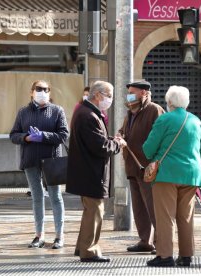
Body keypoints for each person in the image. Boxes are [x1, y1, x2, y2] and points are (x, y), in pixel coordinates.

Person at [142, 85, 201, 267]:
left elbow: (148, 149)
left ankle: (165, 256)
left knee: (165, 216)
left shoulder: (165, 119)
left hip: (167, 174)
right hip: (192, 176)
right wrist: (197, 170)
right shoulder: (197, 121)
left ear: (170, 102)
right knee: (186, 216)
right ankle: (186, 255)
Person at [66, 80, 126, 263]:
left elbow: (96, 139)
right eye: (109, 96)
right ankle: (89, 250)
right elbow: (100, 146)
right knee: (95, 211)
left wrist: (110, 139)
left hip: (87, 171)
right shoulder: (88, 115)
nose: (110, 100)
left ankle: (82, 247)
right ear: (98, 95)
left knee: (90, 211)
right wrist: (117, 144)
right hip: (91, 172)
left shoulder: (86, 112)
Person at [10, 80, 69, 250]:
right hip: (30, 159)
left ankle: (59, 235)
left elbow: (63, 135)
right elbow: (13, 135)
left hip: (52, 160)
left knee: (56, 197)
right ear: (32, 92)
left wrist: (43, 136)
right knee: (37, 197)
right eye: (39, 89)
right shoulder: (23, 112)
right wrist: (26, 138)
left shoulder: (57, 111)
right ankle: (39, 235)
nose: (42, 92)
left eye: (46, 89)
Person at [117, 80, 164, 253]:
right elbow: (123, 130)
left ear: (144, 93)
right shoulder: (130, 112)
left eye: (133, 92)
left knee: (153, 206)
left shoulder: (154, 110)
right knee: (139, 207)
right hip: (132, 166)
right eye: (128, 92)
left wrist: (155, 162)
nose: (129, 95)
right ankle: (145, 240)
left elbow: (161, 136)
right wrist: (120, 135)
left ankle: (161, 242)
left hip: (148, 168)